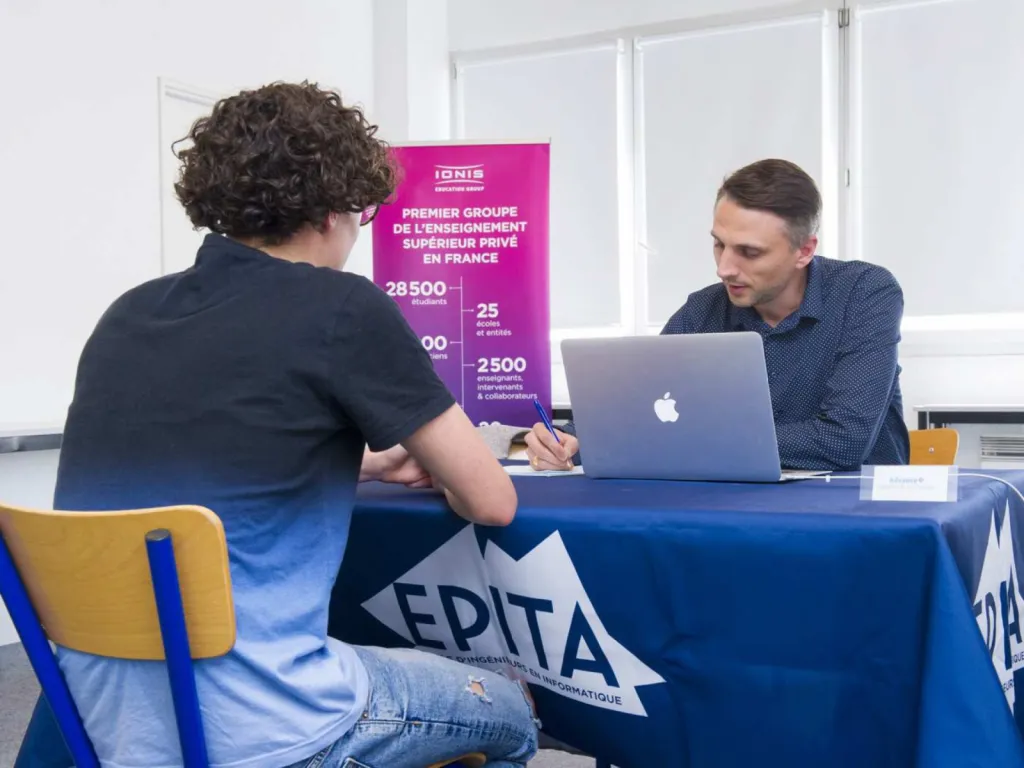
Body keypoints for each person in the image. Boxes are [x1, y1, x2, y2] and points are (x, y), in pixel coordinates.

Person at [15, 82, 538, 768]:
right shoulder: (343, 308)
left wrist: (367, 464)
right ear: (333, 207)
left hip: (106, 730)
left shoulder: (128, 315)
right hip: (270, 731)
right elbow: (493, 501)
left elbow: (219, 449)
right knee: (512, 709)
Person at [526, 158, 909, 473]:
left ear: (804, 251)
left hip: (855, 513)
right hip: (734, 507)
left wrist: (688, 438)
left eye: (749, 252)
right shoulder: (702, 310)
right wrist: (571, 438)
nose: (724, 268)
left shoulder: (865, 293)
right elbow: (635, 404)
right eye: (719, 244)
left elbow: (843, 440)